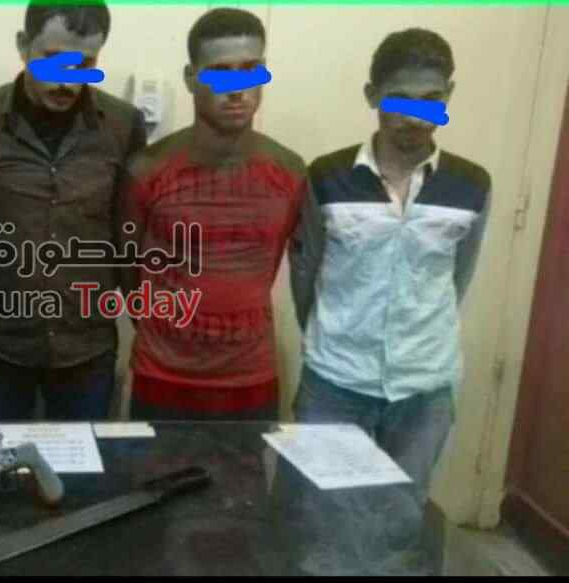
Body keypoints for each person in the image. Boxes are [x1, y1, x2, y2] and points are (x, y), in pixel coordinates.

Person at [286, 28, 490, 575]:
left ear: (448, 95)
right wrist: (331, 336)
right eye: (400, 99)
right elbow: (305, 277)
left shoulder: (471, 185)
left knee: (399, 523)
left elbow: (457, 278)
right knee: (323, 520)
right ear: (372, 94)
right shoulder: (327, 176)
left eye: (431, 99)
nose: (416, 116)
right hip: (335, 382)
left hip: (424, 389)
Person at [0, 0, 146, 420]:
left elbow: (126, 229)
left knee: (83, 462)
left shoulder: (123, 124)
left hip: (87, 348)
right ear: (23, 45)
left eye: (84, 64)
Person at [122, 8, 306, 421]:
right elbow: (128, 269)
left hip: (250, 378)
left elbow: (276, 264)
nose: (237, 89)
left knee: (249, 469)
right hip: (163, 374)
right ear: (191, 78)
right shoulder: (147, 169)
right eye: (220, 73)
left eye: (250, 70)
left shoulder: (290, 172)